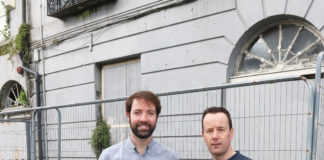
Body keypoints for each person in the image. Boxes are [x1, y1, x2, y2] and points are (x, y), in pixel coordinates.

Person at [99, 90, 178, 160]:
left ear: (156, 117)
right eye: (137, 112)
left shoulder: (170, 157)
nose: (144, 119)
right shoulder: (108, 156)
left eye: (150, 113)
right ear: (128, 116)